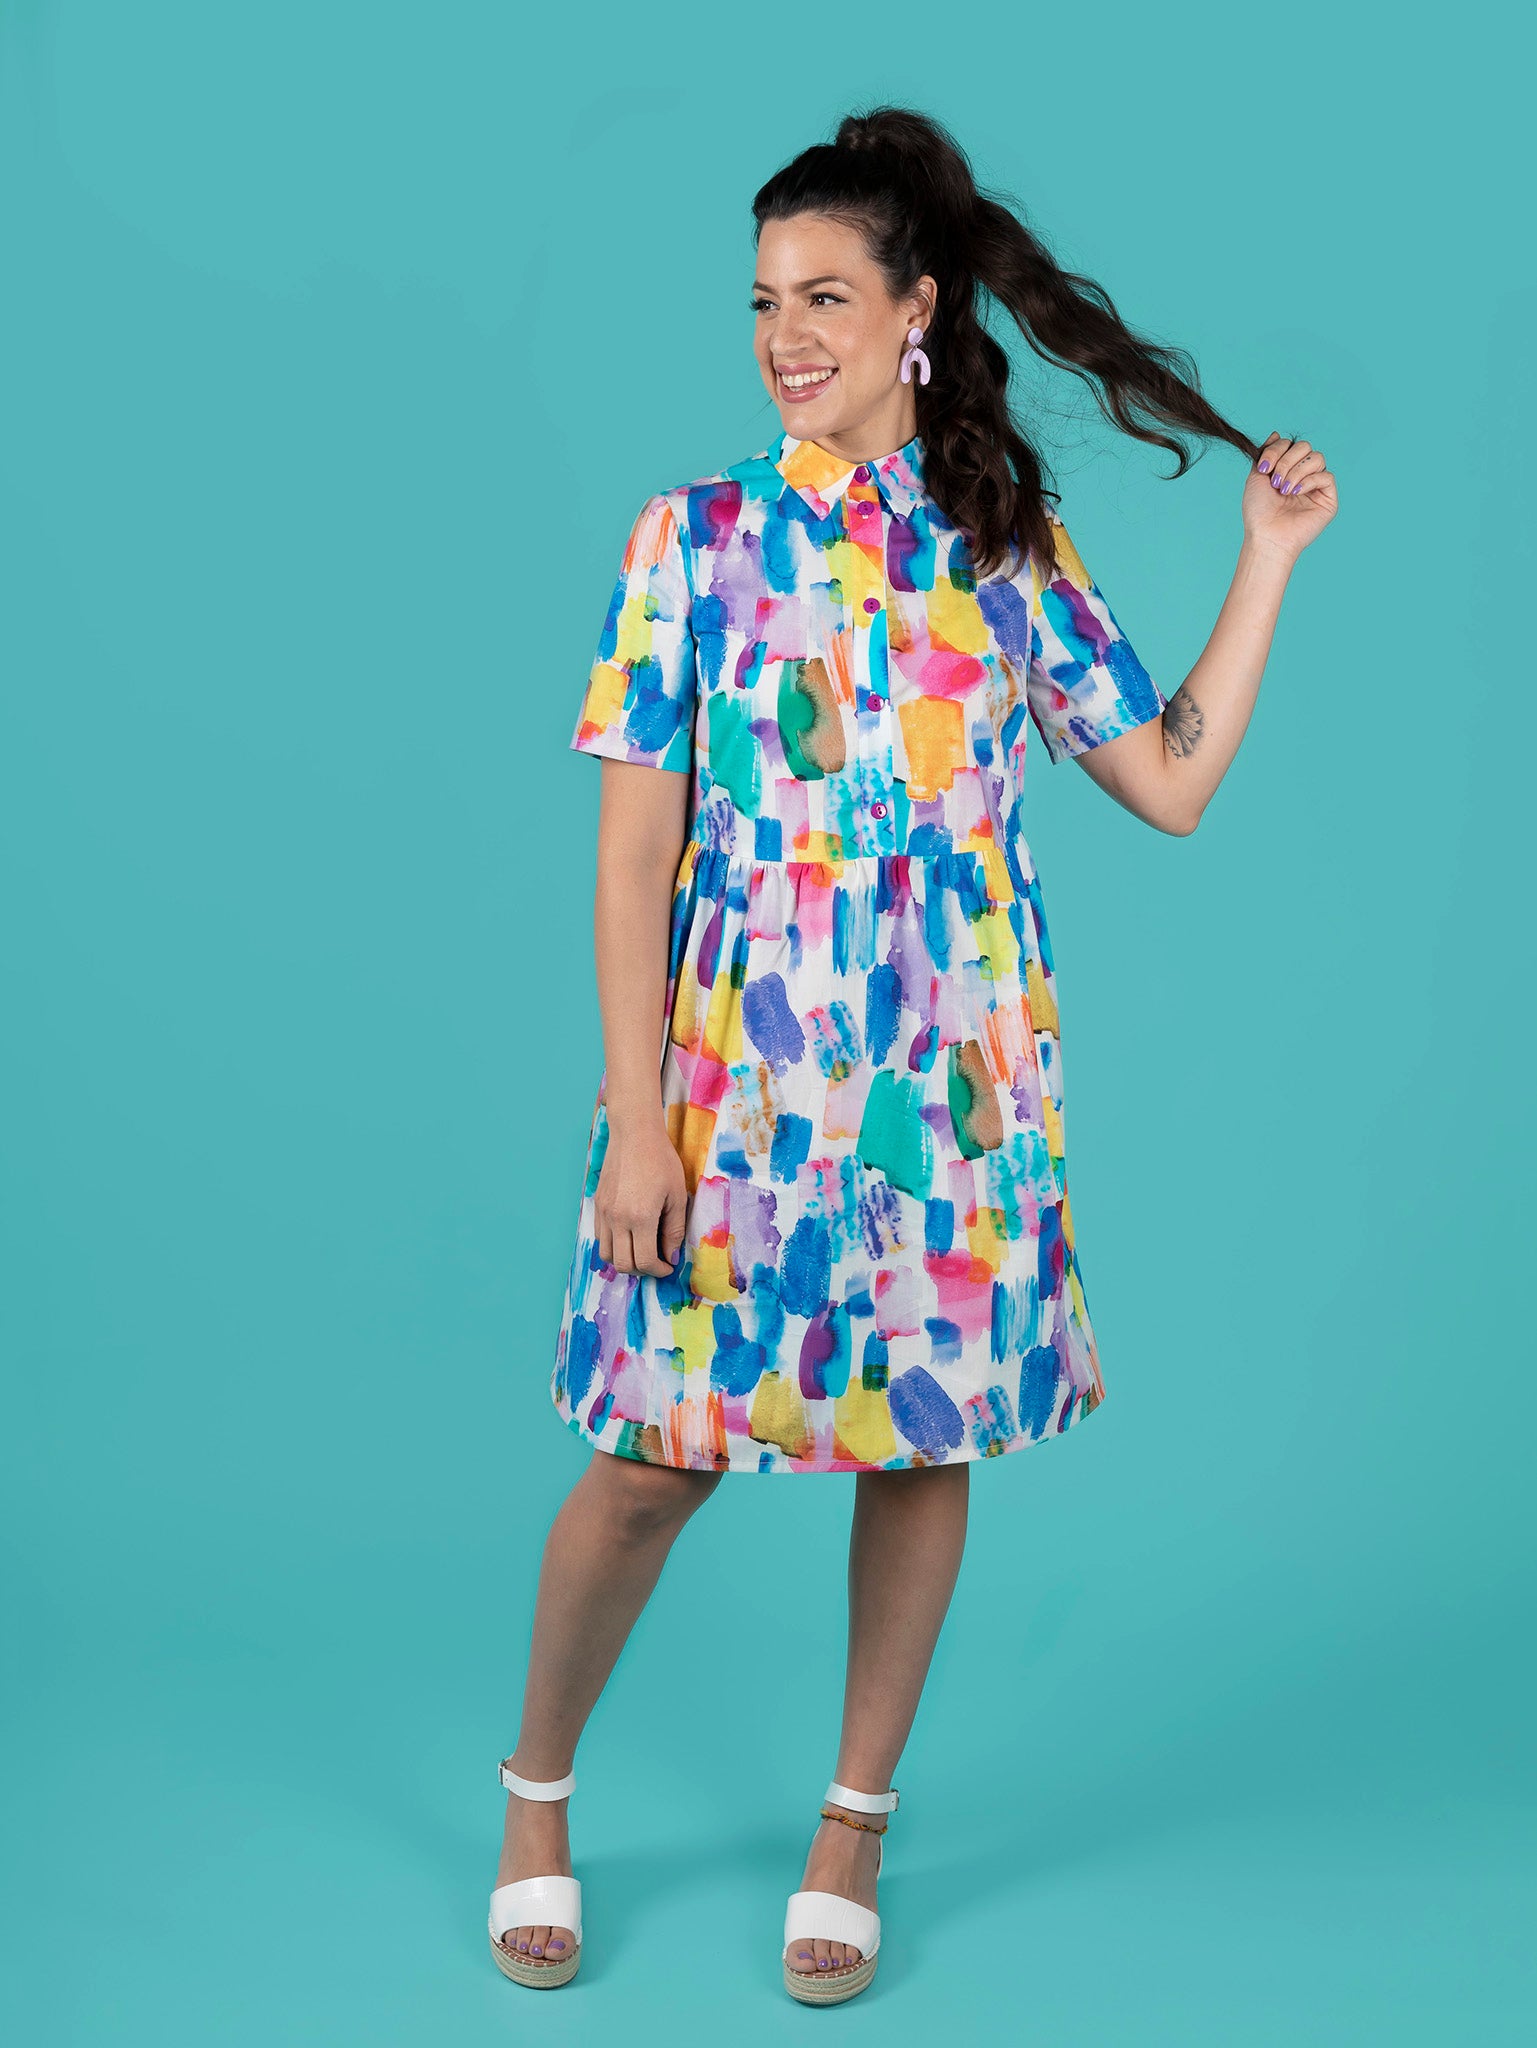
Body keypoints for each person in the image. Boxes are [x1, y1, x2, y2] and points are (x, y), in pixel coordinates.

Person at [486, 104, 1337, 2004]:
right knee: (647, 1467)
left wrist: (1267, 558)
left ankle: (851, 1827)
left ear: (916, 311)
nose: (784, 335)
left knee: (924, 1440)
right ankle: (534, 1794)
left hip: (949, 1100)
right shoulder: (692, 539)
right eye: (761, 301)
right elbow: (632, 855)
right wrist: (637, 1117)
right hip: (728, 1088)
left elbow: (1168, 780)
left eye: (823, 296)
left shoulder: (1000, 546)